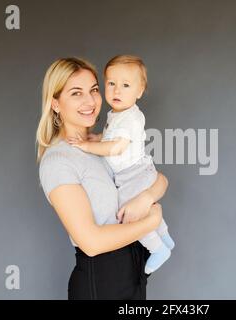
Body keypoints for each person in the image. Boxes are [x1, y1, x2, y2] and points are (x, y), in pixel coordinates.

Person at [36, 57, 169, 299]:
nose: (90, 101)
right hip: (103, 281)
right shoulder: (58, 160)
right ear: (55, 103)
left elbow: (157, 178)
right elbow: (91, 242)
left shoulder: (104, 144)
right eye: (76, 93)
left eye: (94, 90)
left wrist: (146, 198)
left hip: (132, 269)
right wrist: (150, 222)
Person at [67, 55, 175, 274]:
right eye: (111, 84)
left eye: (125, 85)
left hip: (132, 174)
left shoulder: (130, 118)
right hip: (138, 170)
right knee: (143, 209)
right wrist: (97, 138)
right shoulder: (118, 113)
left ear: (139, 91)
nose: (117, 91)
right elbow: (111, 137)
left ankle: (158, 248)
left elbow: (116, 147)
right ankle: (165, 236)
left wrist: (87, 147)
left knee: (129, 215)